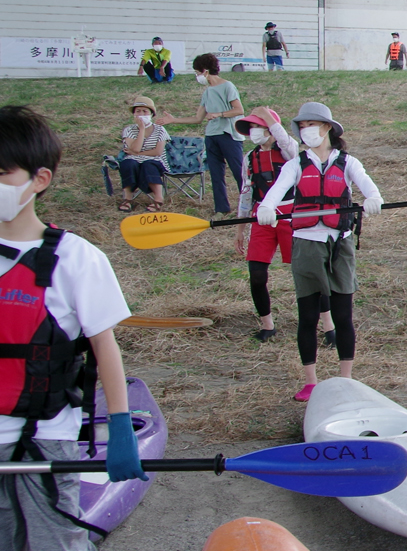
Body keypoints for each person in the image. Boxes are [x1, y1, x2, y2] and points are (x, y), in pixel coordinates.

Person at [0, 104, 146, 551]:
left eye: (0, 174)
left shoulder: (75, 259)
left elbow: (106, 350)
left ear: (39, 180)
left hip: (49, 445)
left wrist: (120, 428)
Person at [255, 103, 381, 402]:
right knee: (308, 316)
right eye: (302, 125)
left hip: (340, 242)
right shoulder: (296, 164)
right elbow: (278, 188)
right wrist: (267, 206)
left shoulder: (348, 162)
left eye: (312, 124)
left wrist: (374, 198)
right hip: (306, 243)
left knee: (342, 314)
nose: (306, 130)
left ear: (326, 128)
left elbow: (367, 186)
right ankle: (310, 381)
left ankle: (346, 378)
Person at [234, 108, 336, 346]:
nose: (253, 133)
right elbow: (245, 192)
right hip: (262, 218)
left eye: (257, 127)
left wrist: (271, 120)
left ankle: (328, 325)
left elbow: (286, 141)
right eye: (251, 128)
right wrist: (240, 229)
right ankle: (267, 325)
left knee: (310, 273)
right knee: (257, 274)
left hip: (292, 216)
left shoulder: (290, 153)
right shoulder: (250, 157)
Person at [157, 54, 244, 216]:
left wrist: (219, 114)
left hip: (229, 135)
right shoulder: (207, 92)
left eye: (197, 72)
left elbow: (239, 110)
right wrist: (173, 120)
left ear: (205, 71)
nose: (197, 76)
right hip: (211, 136)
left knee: (238, 172)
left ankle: (249, 207)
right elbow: (198, 118)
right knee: (216, 174)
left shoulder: (227, 86)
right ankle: (221, 209)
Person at [116, 96, 168, 212]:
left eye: (145, 111)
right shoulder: (128, 130)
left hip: (155, 160)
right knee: (128, 164)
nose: (141, 114)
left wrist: (139, 152)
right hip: (133, 159)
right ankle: (128, 199)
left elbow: (157, 152)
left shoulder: (160, 130)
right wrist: (141, 130)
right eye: (138, 111)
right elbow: (135, 148)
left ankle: (158, 199)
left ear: (151, 114)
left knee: (149, 165)